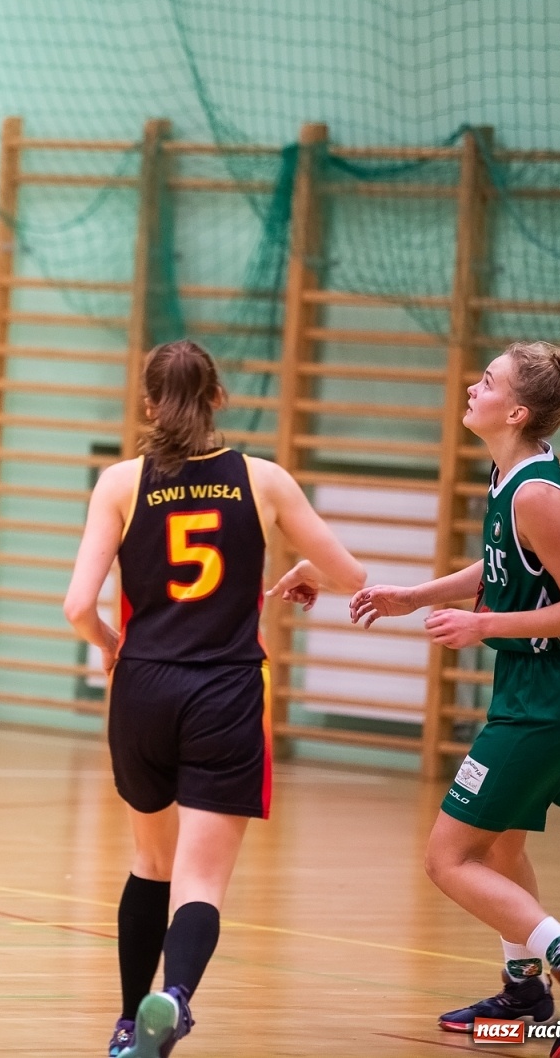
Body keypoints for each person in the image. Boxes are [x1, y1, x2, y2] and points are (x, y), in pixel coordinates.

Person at [63, 340, 365, 1057]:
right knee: (199, 878)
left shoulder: (120, 483)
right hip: (224, 691)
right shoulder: (262, 481)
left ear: (147, 405)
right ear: (218, 399)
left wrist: (110, 643)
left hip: (142, 688)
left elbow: (77, 604)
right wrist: (297, 572)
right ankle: (175, 997)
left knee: (149, 863)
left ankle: (129, 1023)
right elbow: (352, 576)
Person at [349, 342, 560, 1057]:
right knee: (502, 849)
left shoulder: (537, 492)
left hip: (551, 697)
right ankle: (527, 994)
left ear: (515, 410)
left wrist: (484, 625)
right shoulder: (509, 479)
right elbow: (503, 564)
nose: (472, 387)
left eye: (487, 380)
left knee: (448, 858)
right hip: (535, 690)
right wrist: (415, 595)